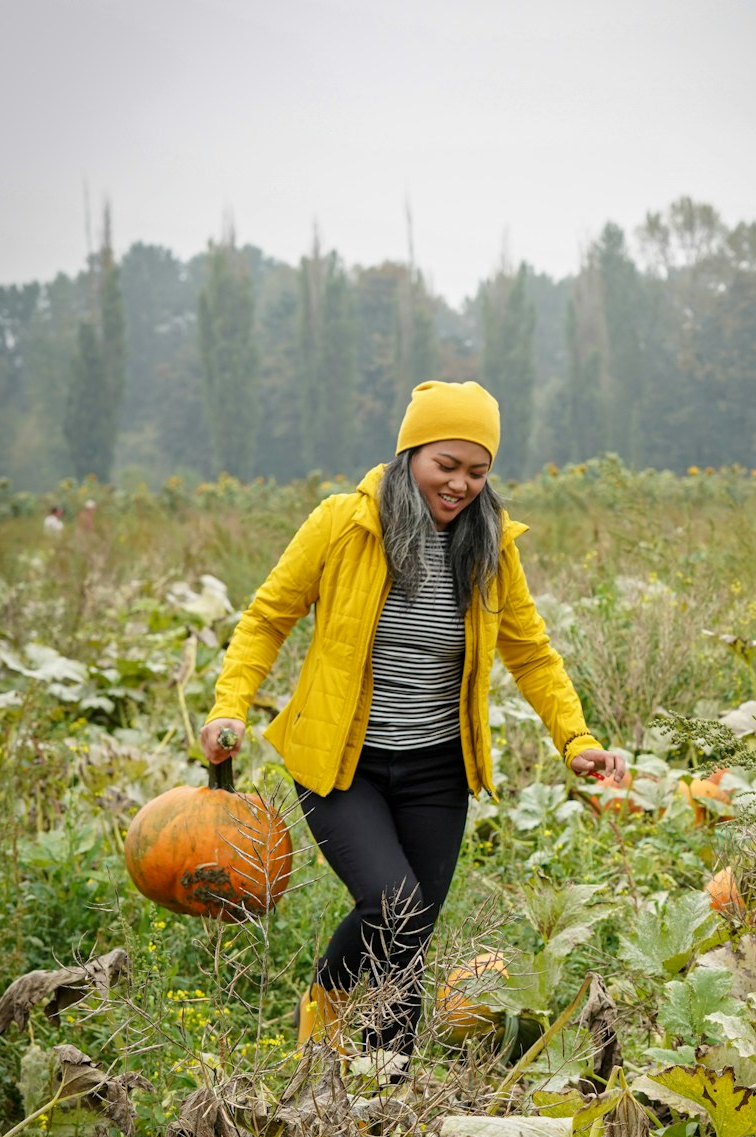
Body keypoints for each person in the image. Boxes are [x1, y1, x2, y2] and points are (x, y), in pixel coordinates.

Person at [199, 380, 626, 1066]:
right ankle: (323, 1022)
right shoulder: (344, 523)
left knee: (412, 933)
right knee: (392, 904)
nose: (460, 485)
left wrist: (576, 739)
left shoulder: (490, 545)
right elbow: (266, 617)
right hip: (343, 762)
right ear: (410, 454)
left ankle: (388, 1081)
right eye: (445, 465)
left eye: (477, 470)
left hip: (436, 767)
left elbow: (531, 651)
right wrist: (229, 706)